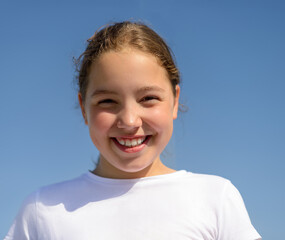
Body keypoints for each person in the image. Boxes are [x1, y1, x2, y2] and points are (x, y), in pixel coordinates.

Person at [4, 21, 262, 240]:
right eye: (107, 101)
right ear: (84, 108)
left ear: (174, 100)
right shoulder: (41, 211)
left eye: (148, 98)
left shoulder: (215, 198)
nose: (129, 120)